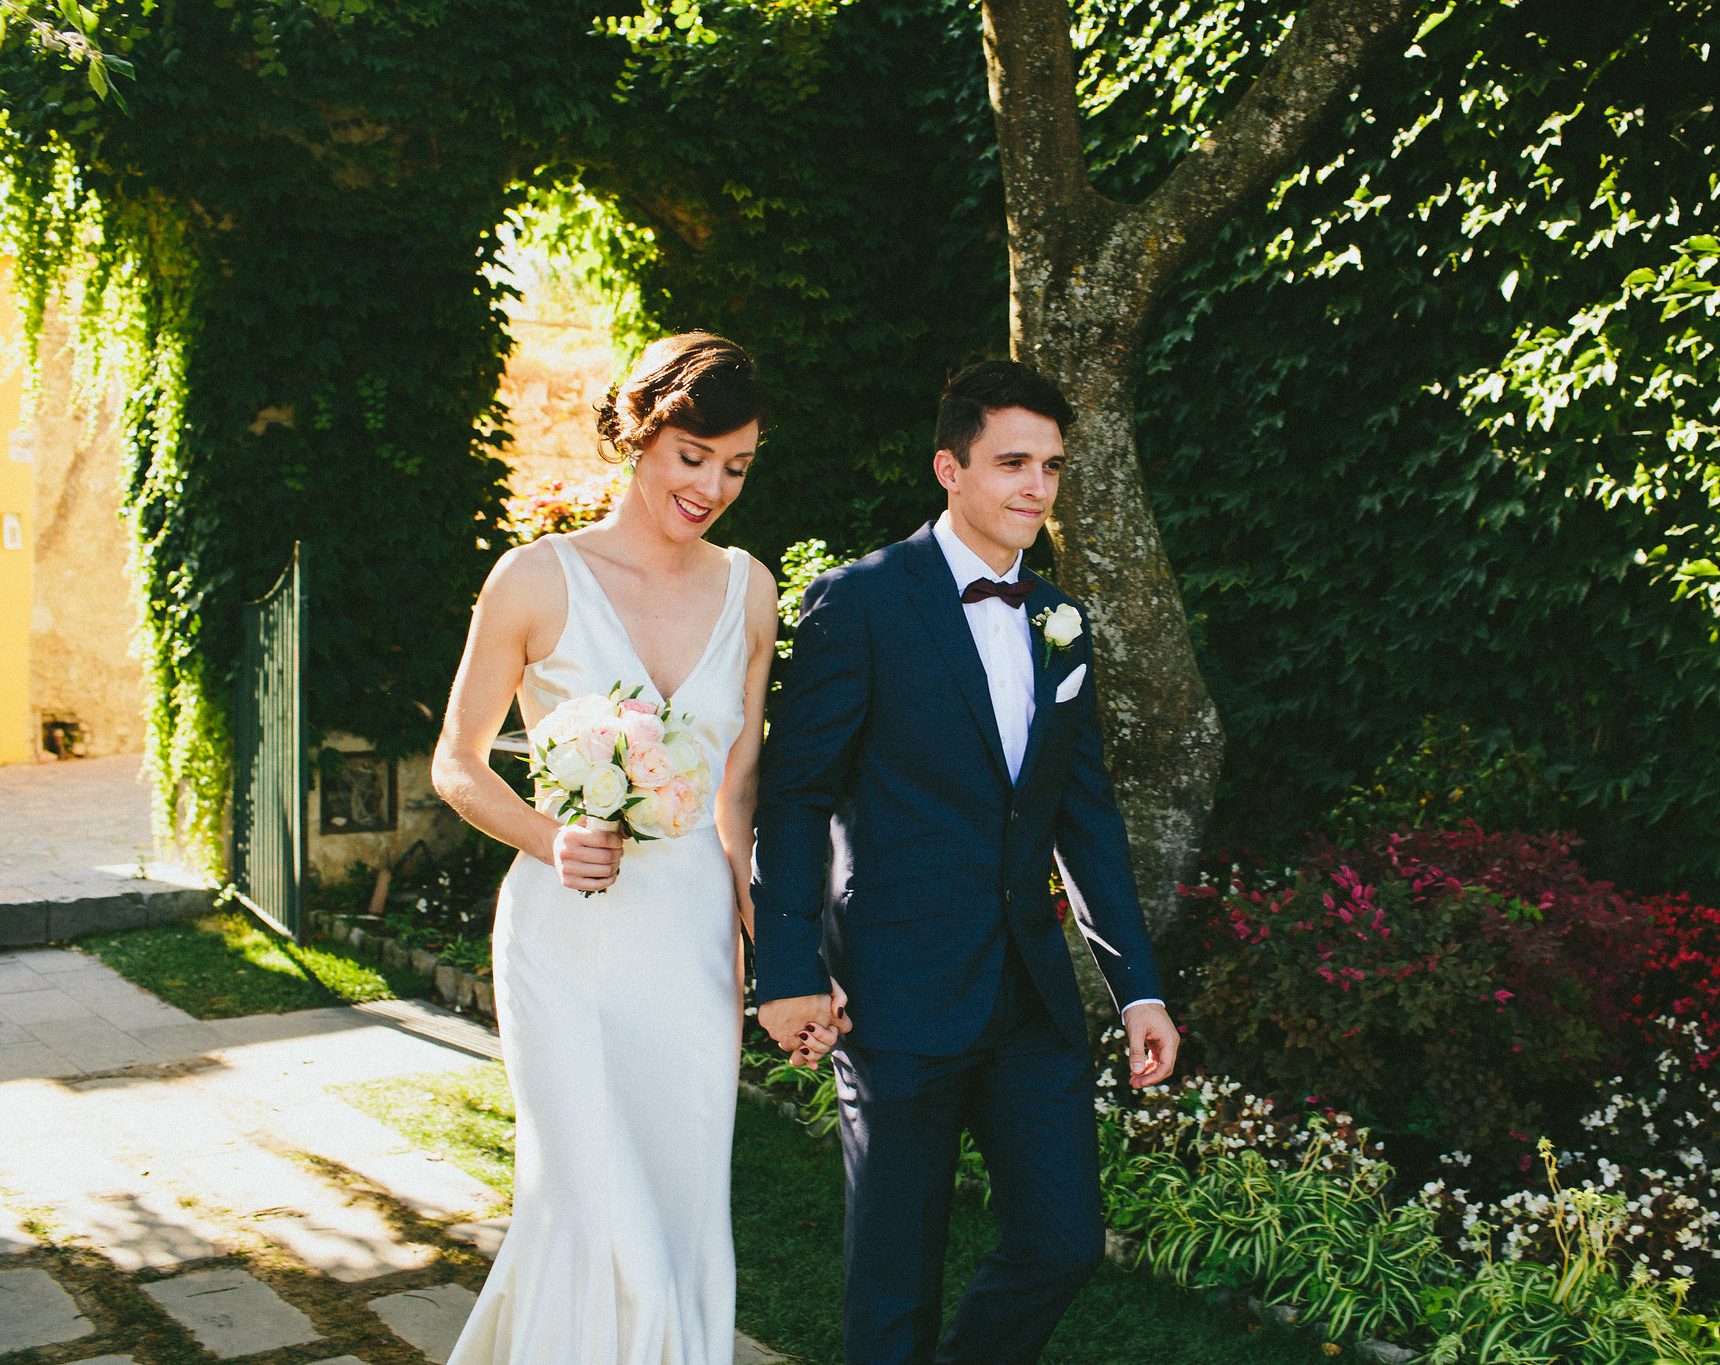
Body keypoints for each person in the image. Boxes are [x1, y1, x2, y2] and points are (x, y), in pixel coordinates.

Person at [752, 360, 1181, 1364]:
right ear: (949, 467)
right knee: (893, 1280)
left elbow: (1086, 818)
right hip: (896, 992)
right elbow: (796, 795)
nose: (1035, 485)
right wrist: (786, 971)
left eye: (1051, 466)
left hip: (1027, 999)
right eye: (1012, 462)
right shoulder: (856, 603)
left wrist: (1137, 991)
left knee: (1063, 1243)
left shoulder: (1058, 621)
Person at [431, 332, 785, 1365]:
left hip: (688, 943)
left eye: (735, 466)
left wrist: (777, 947)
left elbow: (738, 788)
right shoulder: (535, 579)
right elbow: (456, 763)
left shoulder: (750, 590)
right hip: (566, 934)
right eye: (692, 456)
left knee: (676, 1207)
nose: (711, 486)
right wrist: (549, 838)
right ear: (638, 435)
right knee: (589, 1202)